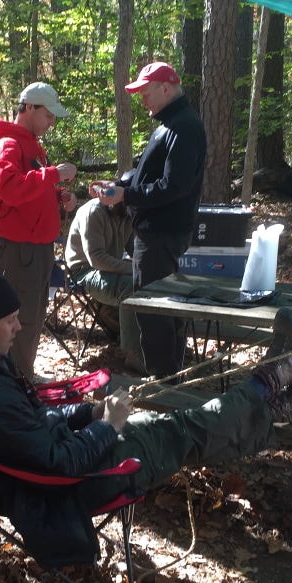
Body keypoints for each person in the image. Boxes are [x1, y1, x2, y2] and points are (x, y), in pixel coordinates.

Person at [0, 266, 292, 563]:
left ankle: (275, 405)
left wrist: (91, 412)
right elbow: (57, 465)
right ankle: (268, 384)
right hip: (59, 493)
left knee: (168, 426)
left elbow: (37, 421)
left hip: (50, 475)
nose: (19, 326)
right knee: (183, 431)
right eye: (9, 320)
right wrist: (108, 427)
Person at [93, 62, 206, 378]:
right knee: (160, 308)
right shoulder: (172, 124)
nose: (143, 101)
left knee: (153, 310)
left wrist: (126, 196)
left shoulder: (183, 127)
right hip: (156, 232)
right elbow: (153, 176)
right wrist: (120, 186)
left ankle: (163, 383)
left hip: (161, 234)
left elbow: (174, 186)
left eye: (146, 93)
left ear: (166, 89)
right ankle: (169, 377)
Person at [0, 82, 79, 379]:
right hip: (18, 249)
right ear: (29, 108)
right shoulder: (9, 145)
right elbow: (7, 188)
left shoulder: (31, 145)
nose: (52, 123)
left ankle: (22, 375)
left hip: (36, 248)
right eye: (48, 115)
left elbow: (31, 190)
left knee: (32, 316)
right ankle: (13, 381)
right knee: (16, 317)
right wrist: (52, 174)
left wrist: (59, 196)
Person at [64, 195, 143, 373]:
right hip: (83, 271)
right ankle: (133, 353)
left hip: (108, 270)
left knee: (147, 281)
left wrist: (150, 265)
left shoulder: (126, 214)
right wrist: (134, 269)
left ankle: (156, 341)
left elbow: (135, 249)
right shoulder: (94, 212)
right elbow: (96, 259)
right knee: (131, 287)